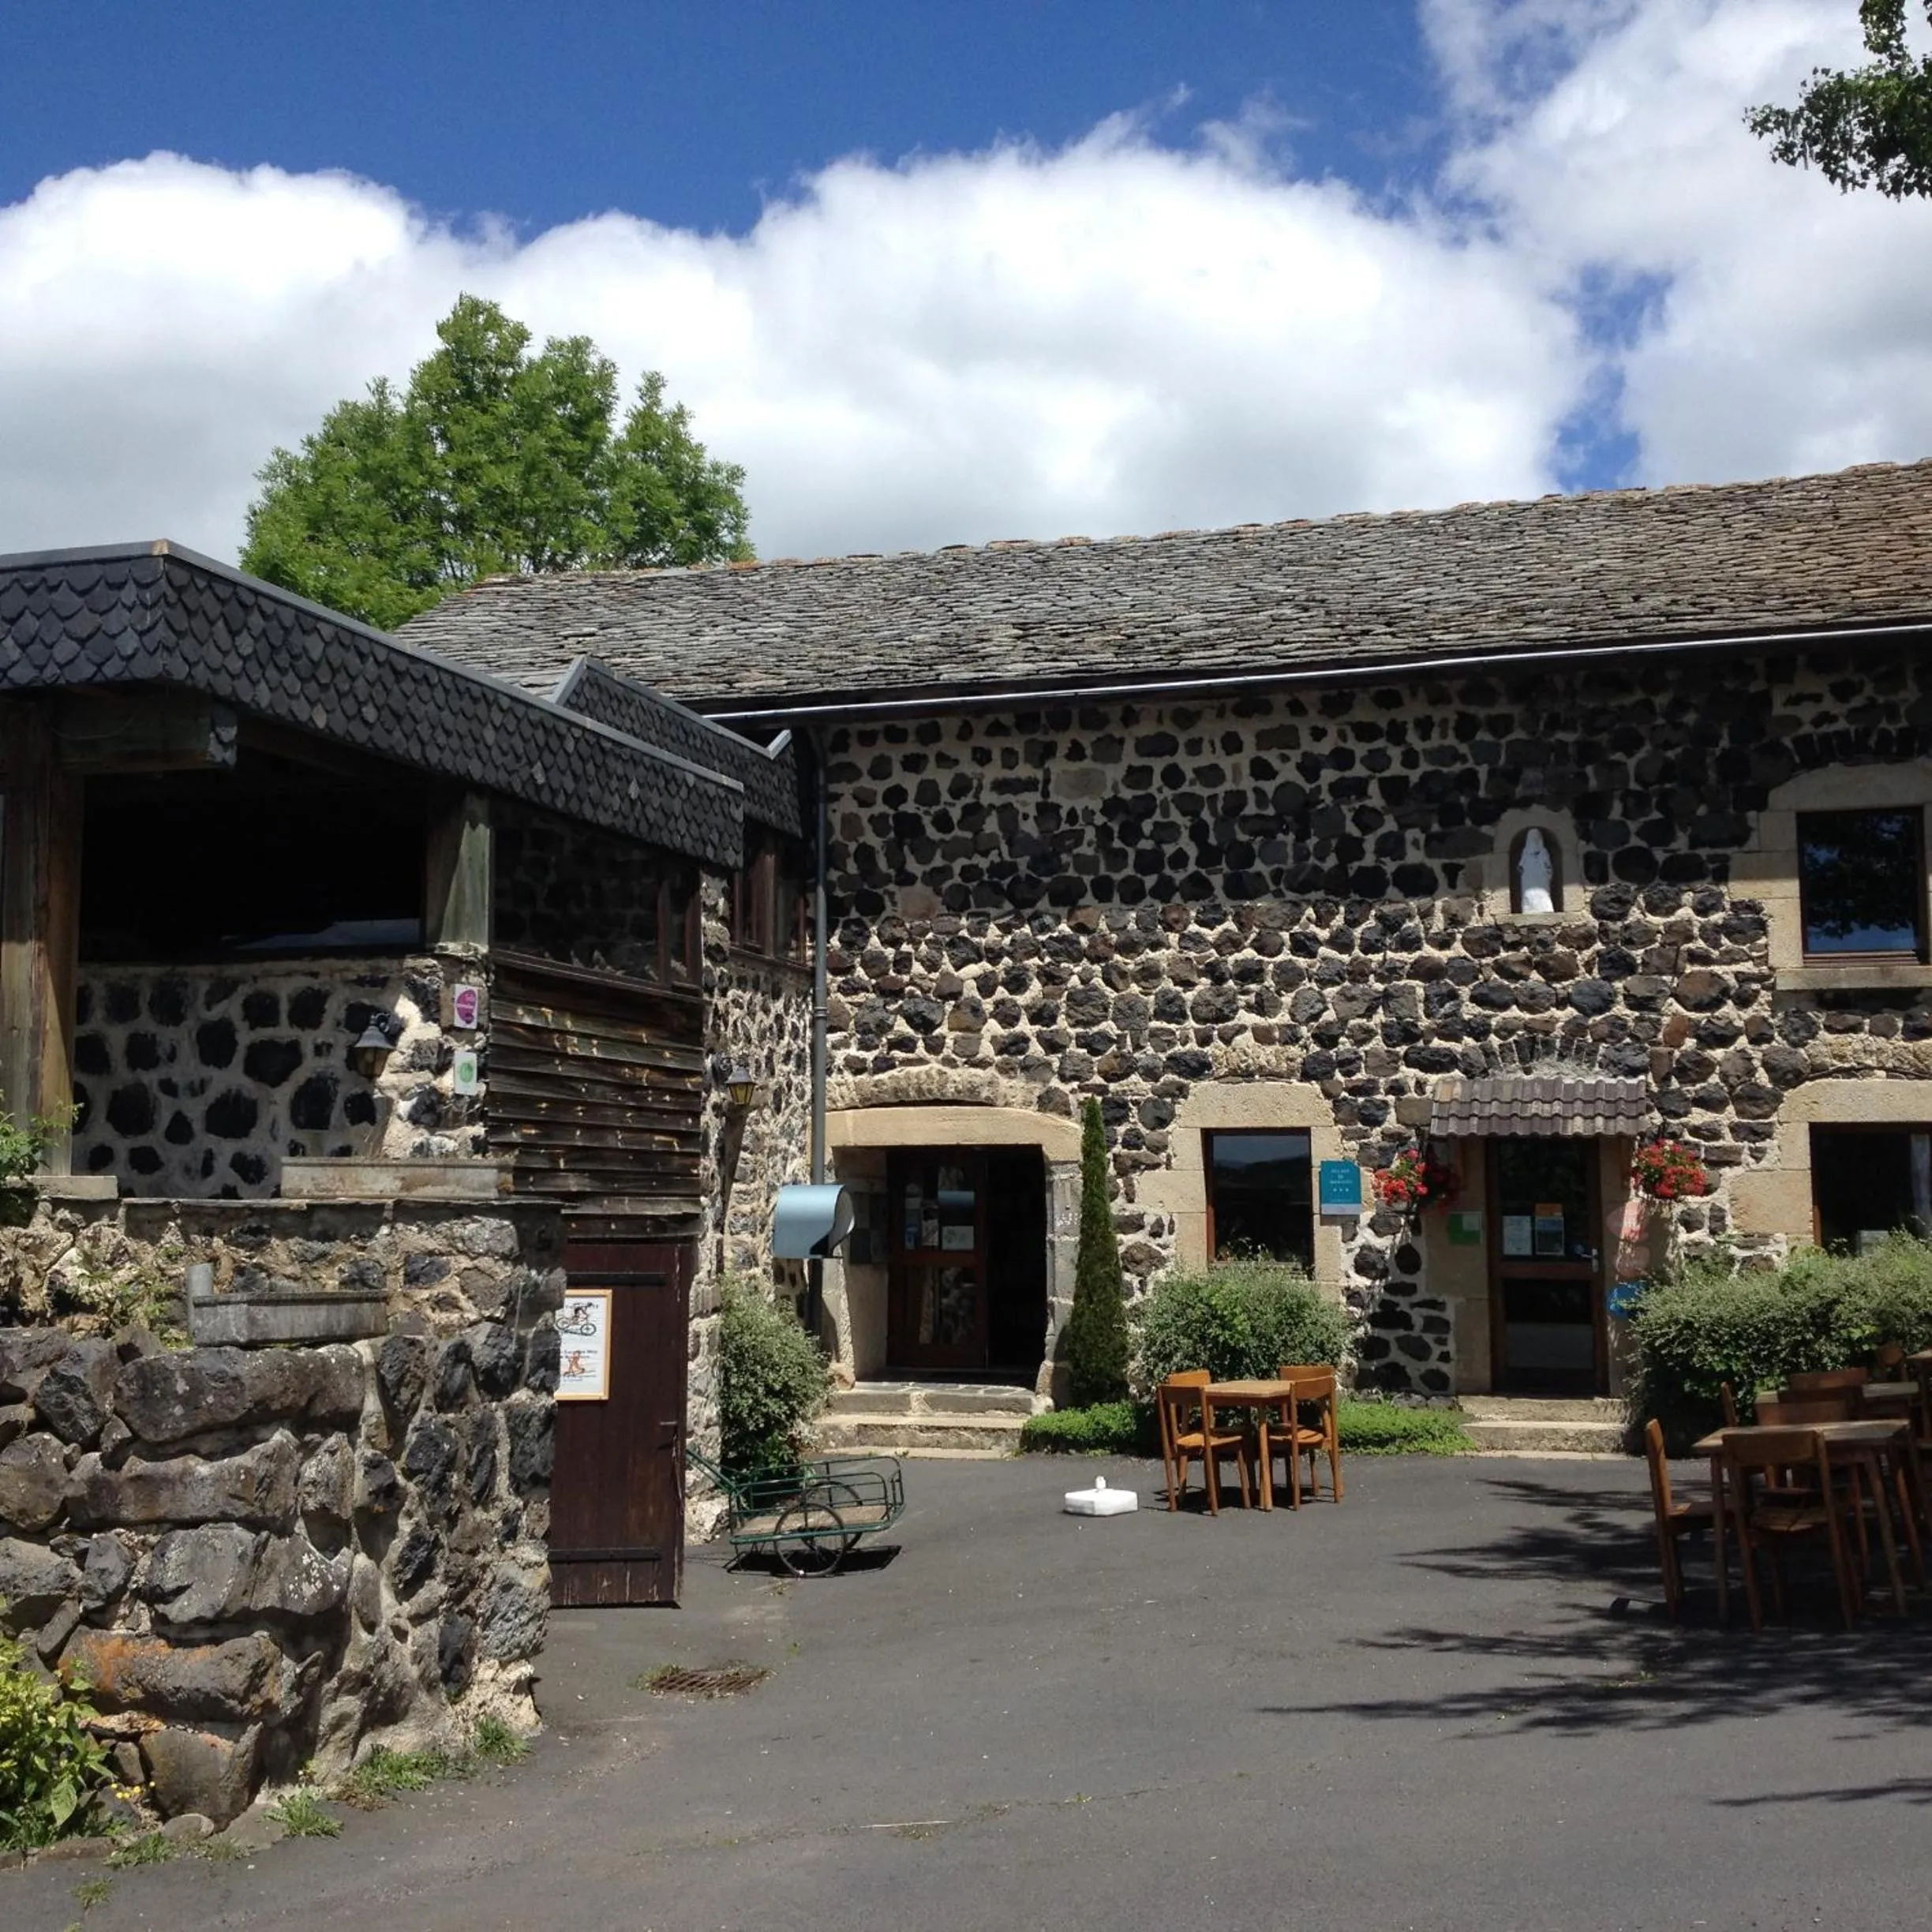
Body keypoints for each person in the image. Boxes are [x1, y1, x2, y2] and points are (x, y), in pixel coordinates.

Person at [1518, 827, 1556, 914]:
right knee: (1529, 893)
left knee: (1543, 893)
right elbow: (1521, 865)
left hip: (1541, 876)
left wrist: (1547, 871)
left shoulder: (1543, 852)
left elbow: (1548, 865)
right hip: (1528, 877)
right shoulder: (1526, 852)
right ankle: (1528, 909)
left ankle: (1545, 908)